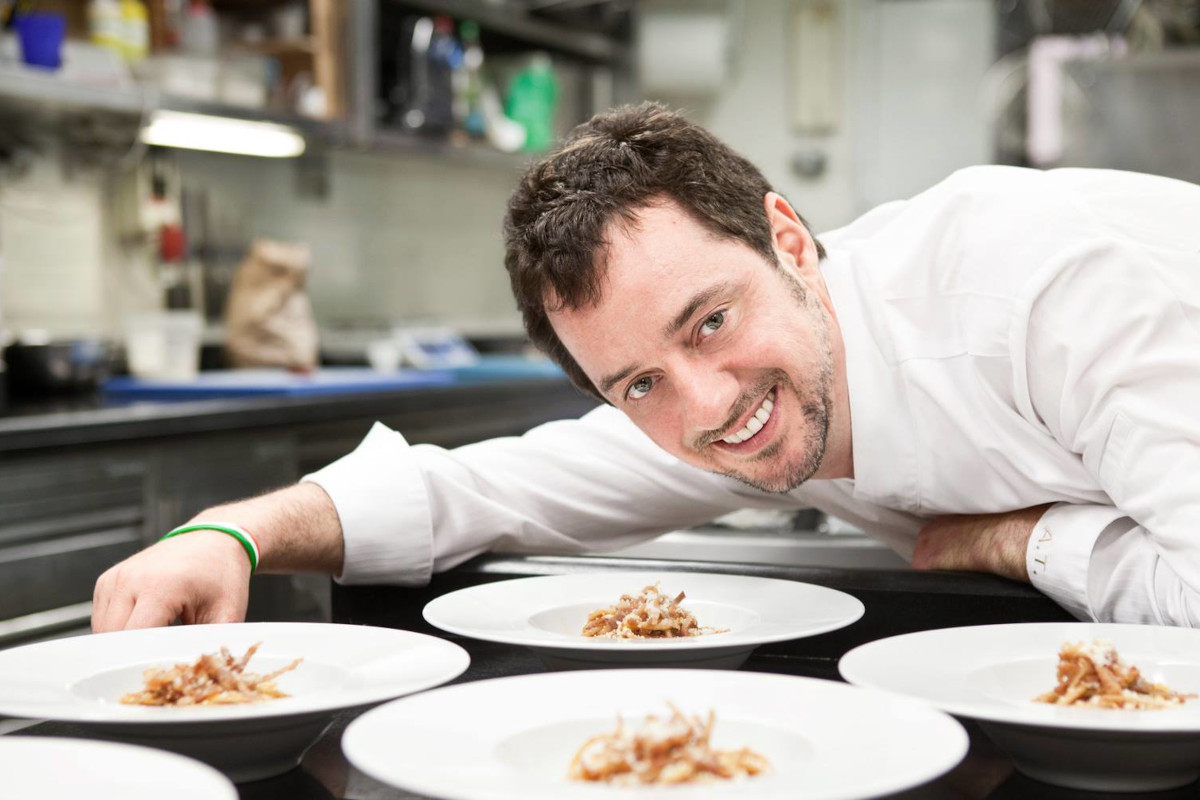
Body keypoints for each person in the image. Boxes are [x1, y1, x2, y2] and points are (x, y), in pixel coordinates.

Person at [92, 103, 1200, 632]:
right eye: (636, 384)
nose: (709, 407)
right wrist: (228, 530)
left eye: (711, 320)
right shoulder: (734, 403)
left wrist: (1022, 540)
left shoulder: (1041, 290)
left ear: (793, 241)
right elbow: (486, 488)